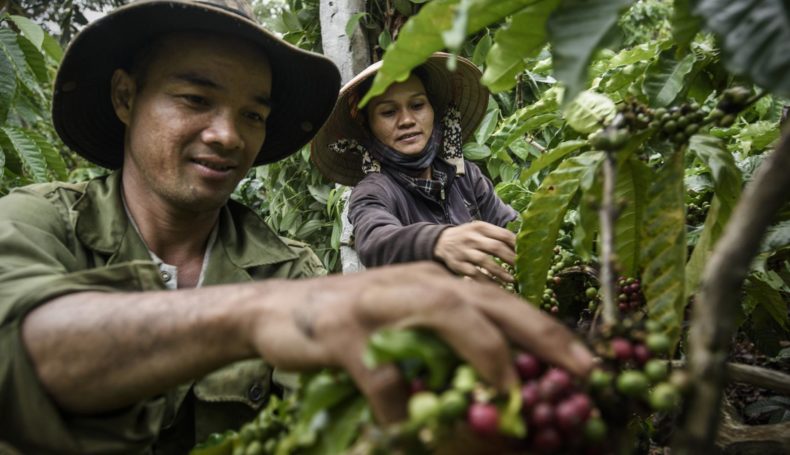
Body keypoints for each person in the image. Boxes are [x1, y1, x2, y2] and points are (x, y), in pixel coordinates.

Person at [0, 1, 593, 453]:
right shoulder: (39, 222)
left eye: (252, 114)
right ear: (126, 96)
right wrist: (255, 314)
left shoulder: (289, 268)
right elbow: (18, 347)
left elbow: (331, 420)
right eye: (195, 99)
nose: (227, 135)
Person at [311, 53, 519, 282]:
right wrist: (436, 240)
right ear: (367, 124)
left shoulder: (465, 176)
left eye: (417, 105)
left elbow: (510, 227)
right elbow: (374, 239)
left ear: (433, 110)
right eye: (388, 112)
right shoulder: (374, 191)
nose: (407, 120)